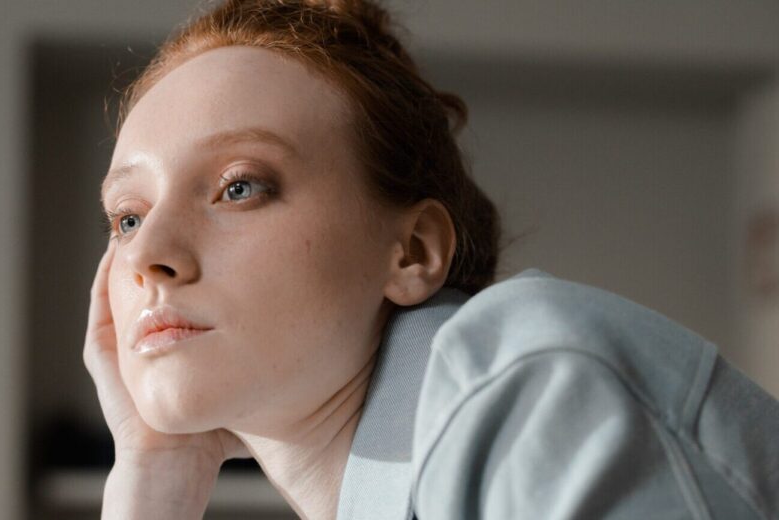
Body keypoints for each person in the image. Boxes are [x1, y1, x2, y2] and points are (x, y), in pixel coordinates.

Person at [81, 0, 779, 518]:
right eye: (128, 216)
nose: (148, 255)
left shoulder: (529, 382)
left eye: (239, 186)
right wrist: (151, 477)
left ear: (412, 251)